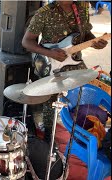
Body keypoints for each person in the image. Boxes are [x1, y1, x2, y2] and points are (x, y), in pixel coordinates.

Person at [22, 0, 108, 143]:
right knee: (51, 104)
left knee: (86, 93)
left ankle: (82, 133)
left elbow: (86, 34)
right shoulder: (44, 13)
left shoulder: (81, 8)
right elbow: (27, 42)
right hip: (52, 65)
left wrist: (96, 42)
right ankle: (49, 136)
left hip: (75, 62)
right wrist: (49, 53)